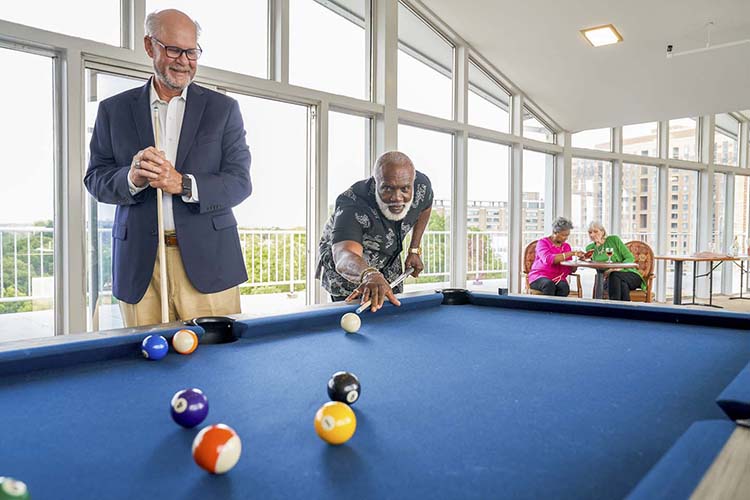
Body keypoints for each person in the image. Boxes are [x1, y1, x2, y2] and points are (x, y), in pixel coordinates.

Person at [85, 9, 252, 327]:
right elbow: (95, 178)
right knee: (144, 362)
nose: (184, 61)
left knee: (216, 365)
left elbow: (240, 182)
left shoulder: (223, 110)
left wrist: (183, 184)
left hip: (210, 263)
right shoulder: (114, 111)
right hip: (140, 266)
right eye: (174, 49)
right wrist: (131, 178)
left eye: (192, 52)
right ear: (150, 46)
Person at [316, 151, 433, 312]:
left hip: (388, 253)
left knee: (391, 308)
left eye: (404, 189)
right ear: (375, 182)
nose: (397, 198)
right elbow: (344, 255)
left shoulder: (421, 186)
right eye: (387, 188)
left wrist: (414, 250)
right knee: (360, 313)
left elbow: (425, 208)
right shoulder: (352, 203)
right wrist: (369, 274)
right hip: (350, 263)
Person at [585, 221, 644, 301]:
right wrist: (585, 258)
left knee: (614, 274)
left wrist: (616, 269)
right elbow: (594, 264)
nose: (592, 235)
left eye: (595, 231)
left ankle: (612, 307)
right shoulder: (590, 248)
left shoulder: (613, 240)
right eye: (590, 232)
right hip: (610, 280)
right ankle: (625, 311)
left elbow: (630, 258)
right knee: (623, 286)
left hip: (630, 275)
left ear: (602, 232)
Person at [528, 217, 584, 296]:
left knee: (564, 287)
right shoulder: (543, 243)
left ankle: (558, 308)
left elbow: (571, 270)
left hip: (558, 278)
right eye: (563, 235)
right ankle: (547, 308)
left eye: (567, 235)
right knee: (549, 285)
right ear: (555, 232)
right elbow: (548, 259)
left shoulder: (566, 247)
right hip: (539, 276)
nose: (566, 238)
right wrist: (571, 253)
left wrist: (579, 260)